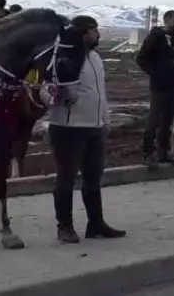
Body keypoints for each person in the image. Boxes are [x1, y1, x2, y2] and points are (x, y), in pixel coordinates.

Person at [47, 16, 126, 244]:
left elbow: (100, 92)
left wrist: (105, 121)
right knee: (66, 178)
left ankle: (96, 224)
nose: (98, 34)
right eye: (93, 31)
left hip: (95, 127)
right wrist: (54, 94)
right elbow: (45, 88)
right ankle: (65, 226)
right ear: (82, 34)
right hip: (68, 128)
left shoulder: (95, 58)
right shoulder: (63, 58)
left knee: (93, 178)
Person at [136, 10, 174, 169]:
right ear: (167, 20)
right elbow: (141, 58)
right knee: (154, 120)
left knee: (167, 121)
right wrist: (157, 73)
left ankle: (163, 153)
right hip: (160, 86)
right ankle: (147, 153)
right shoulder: (157, 37)